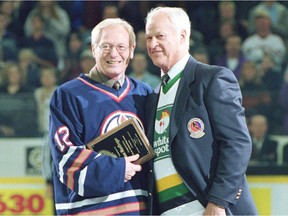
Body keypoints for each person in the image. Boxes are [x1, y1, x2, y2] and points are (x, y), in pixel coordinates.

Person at [144, 7, 258, 215]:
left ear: (182, 36)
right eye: (148, 37)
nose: (152, 44)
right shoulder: (153, 96)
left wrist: (218, 202)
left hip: (207, 207)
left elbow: (237, 142)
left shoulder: (212, 79)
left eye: (160, 36)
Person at [48, 18, 152, 215]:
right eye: (106, 46)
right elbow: (66, 160)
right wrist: (118, 169)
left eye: (121, 46)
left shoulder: (145, 94)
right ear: (93, 49)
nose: (114, 54)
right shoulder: (68, 95)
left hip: (140, 209)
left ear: (132, 50)